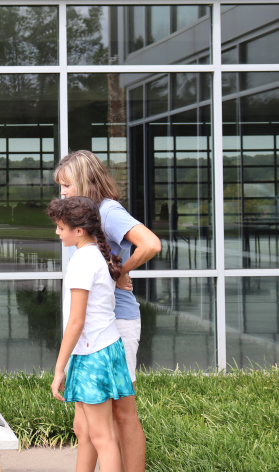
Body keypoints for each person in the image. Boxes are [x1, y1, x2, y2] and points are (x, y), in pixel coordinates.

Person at [55, 150, 161, 472]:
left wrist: (120, 271)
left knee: (122, 414)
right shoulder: (84, 220)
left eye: (66, 185)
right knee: (85, 425)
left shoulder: (108, 211)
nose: (62, 192)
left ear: (85, 180)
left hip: (115, 323)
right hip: (92, 330)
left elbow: (151, 244)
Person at [48, 196, 134, 473]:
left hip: (92, 353)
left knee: (101, 437)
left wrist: (59, 369)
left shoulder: (83, 262)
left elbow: (76, 321)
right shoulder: (95, 254)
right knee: (83, 431)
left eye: (61, 228)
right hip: (103, 349)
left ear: (79, 230)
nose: (57, 232)